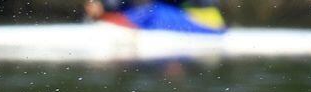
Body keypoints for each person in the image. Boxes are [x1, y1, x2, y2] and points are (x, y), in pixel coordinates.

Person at [84, 0, 226, 33]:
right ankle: (108, 17)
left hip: (208, 24)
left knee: (152, 10)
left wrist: (105, 8)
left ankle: (109, 18)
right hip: (203, 19)